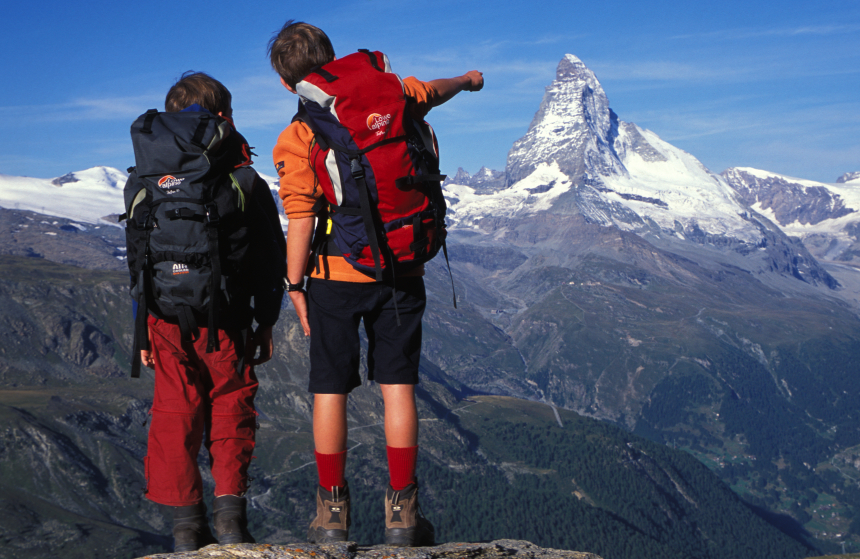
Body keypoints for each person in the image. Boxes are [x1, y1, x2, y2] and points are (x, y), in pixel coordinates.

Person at [267, 20, 483, 546]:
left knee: (329, 388)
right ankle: (403, 518)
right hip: (402, 271)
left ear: (285, 84)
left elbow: (300, 219)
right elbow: (436, 90)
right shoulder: (398, 98)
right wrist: (470, 80)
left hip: (333, 277)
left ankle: (331, 518)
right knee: (398, 388)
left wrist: (294, 285)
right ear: (335, 59)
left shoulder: (299, 135)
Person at [124, 72, 286, 551]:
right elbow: (269, 255)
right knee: (230, 406)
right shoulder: (242, 178)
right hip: (228, 319)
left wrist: (141, 329)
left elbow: (138, 257)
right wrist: (266, 319)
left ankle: (186, 528)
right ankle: (232, 518)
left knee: (175, 413)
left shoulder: (143, 179)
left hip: (164, 320)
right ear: (223, 117)